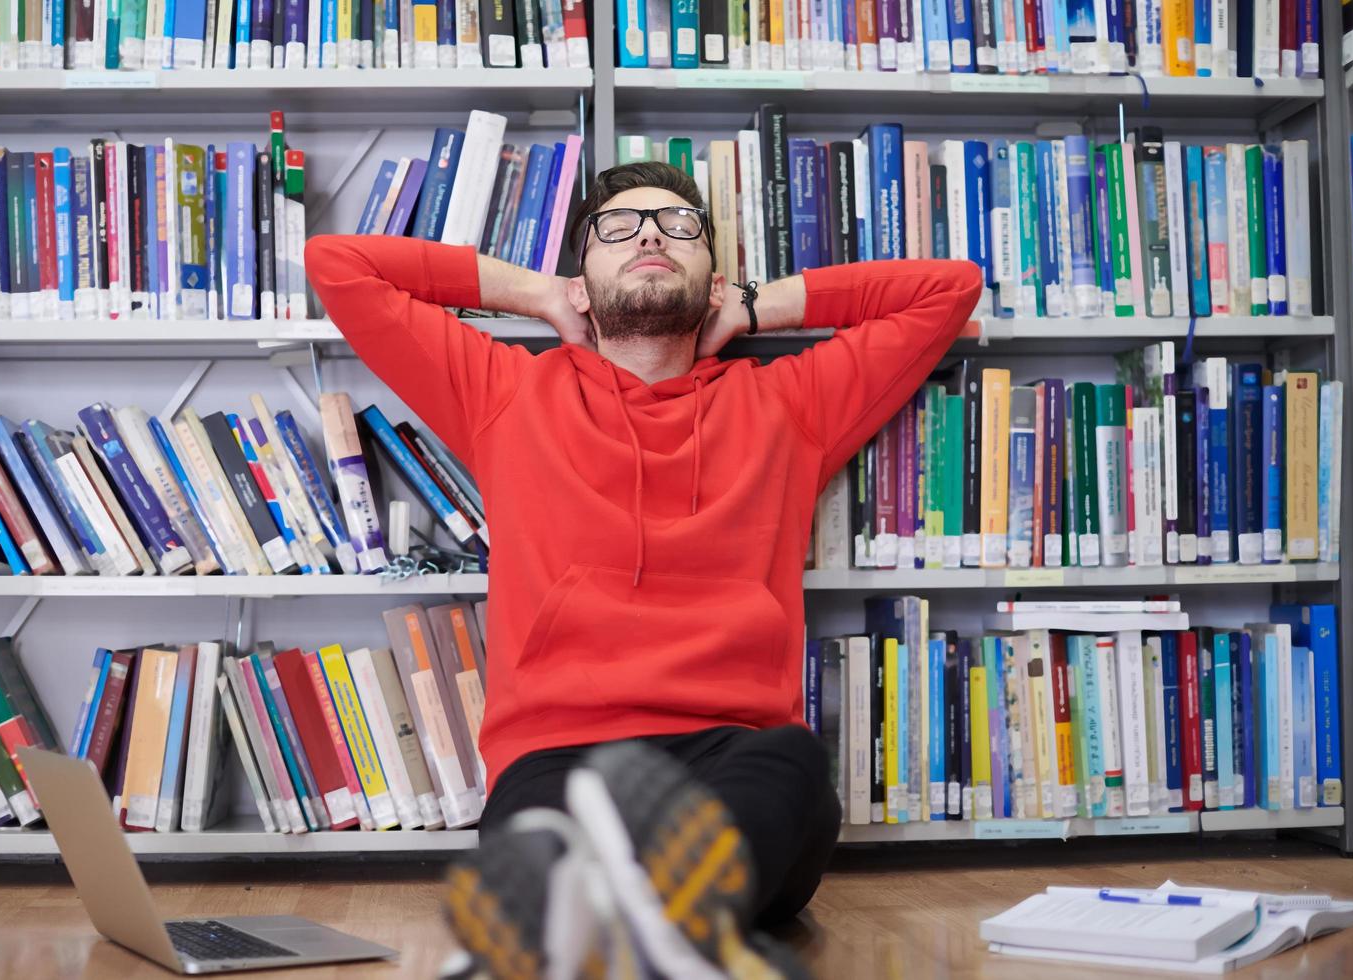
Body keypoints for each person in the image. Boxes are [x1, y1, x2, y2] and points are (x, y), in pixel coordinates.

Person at [305, 162, 983, 979]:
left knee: (794, 767)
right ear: (583, 281)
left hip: (733, 752)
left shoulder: (790, 404)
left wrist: (760, 308)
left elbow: (949, 287)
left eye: (679, 225)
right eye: (618, 229)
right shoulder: (505, 394)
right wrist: (539, 295)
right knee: (551, 837)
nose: (653, 235)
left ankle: (619, 923)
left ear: (714, 279)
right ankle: (656, 923)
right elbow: (338, 264)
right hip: (560, 755)